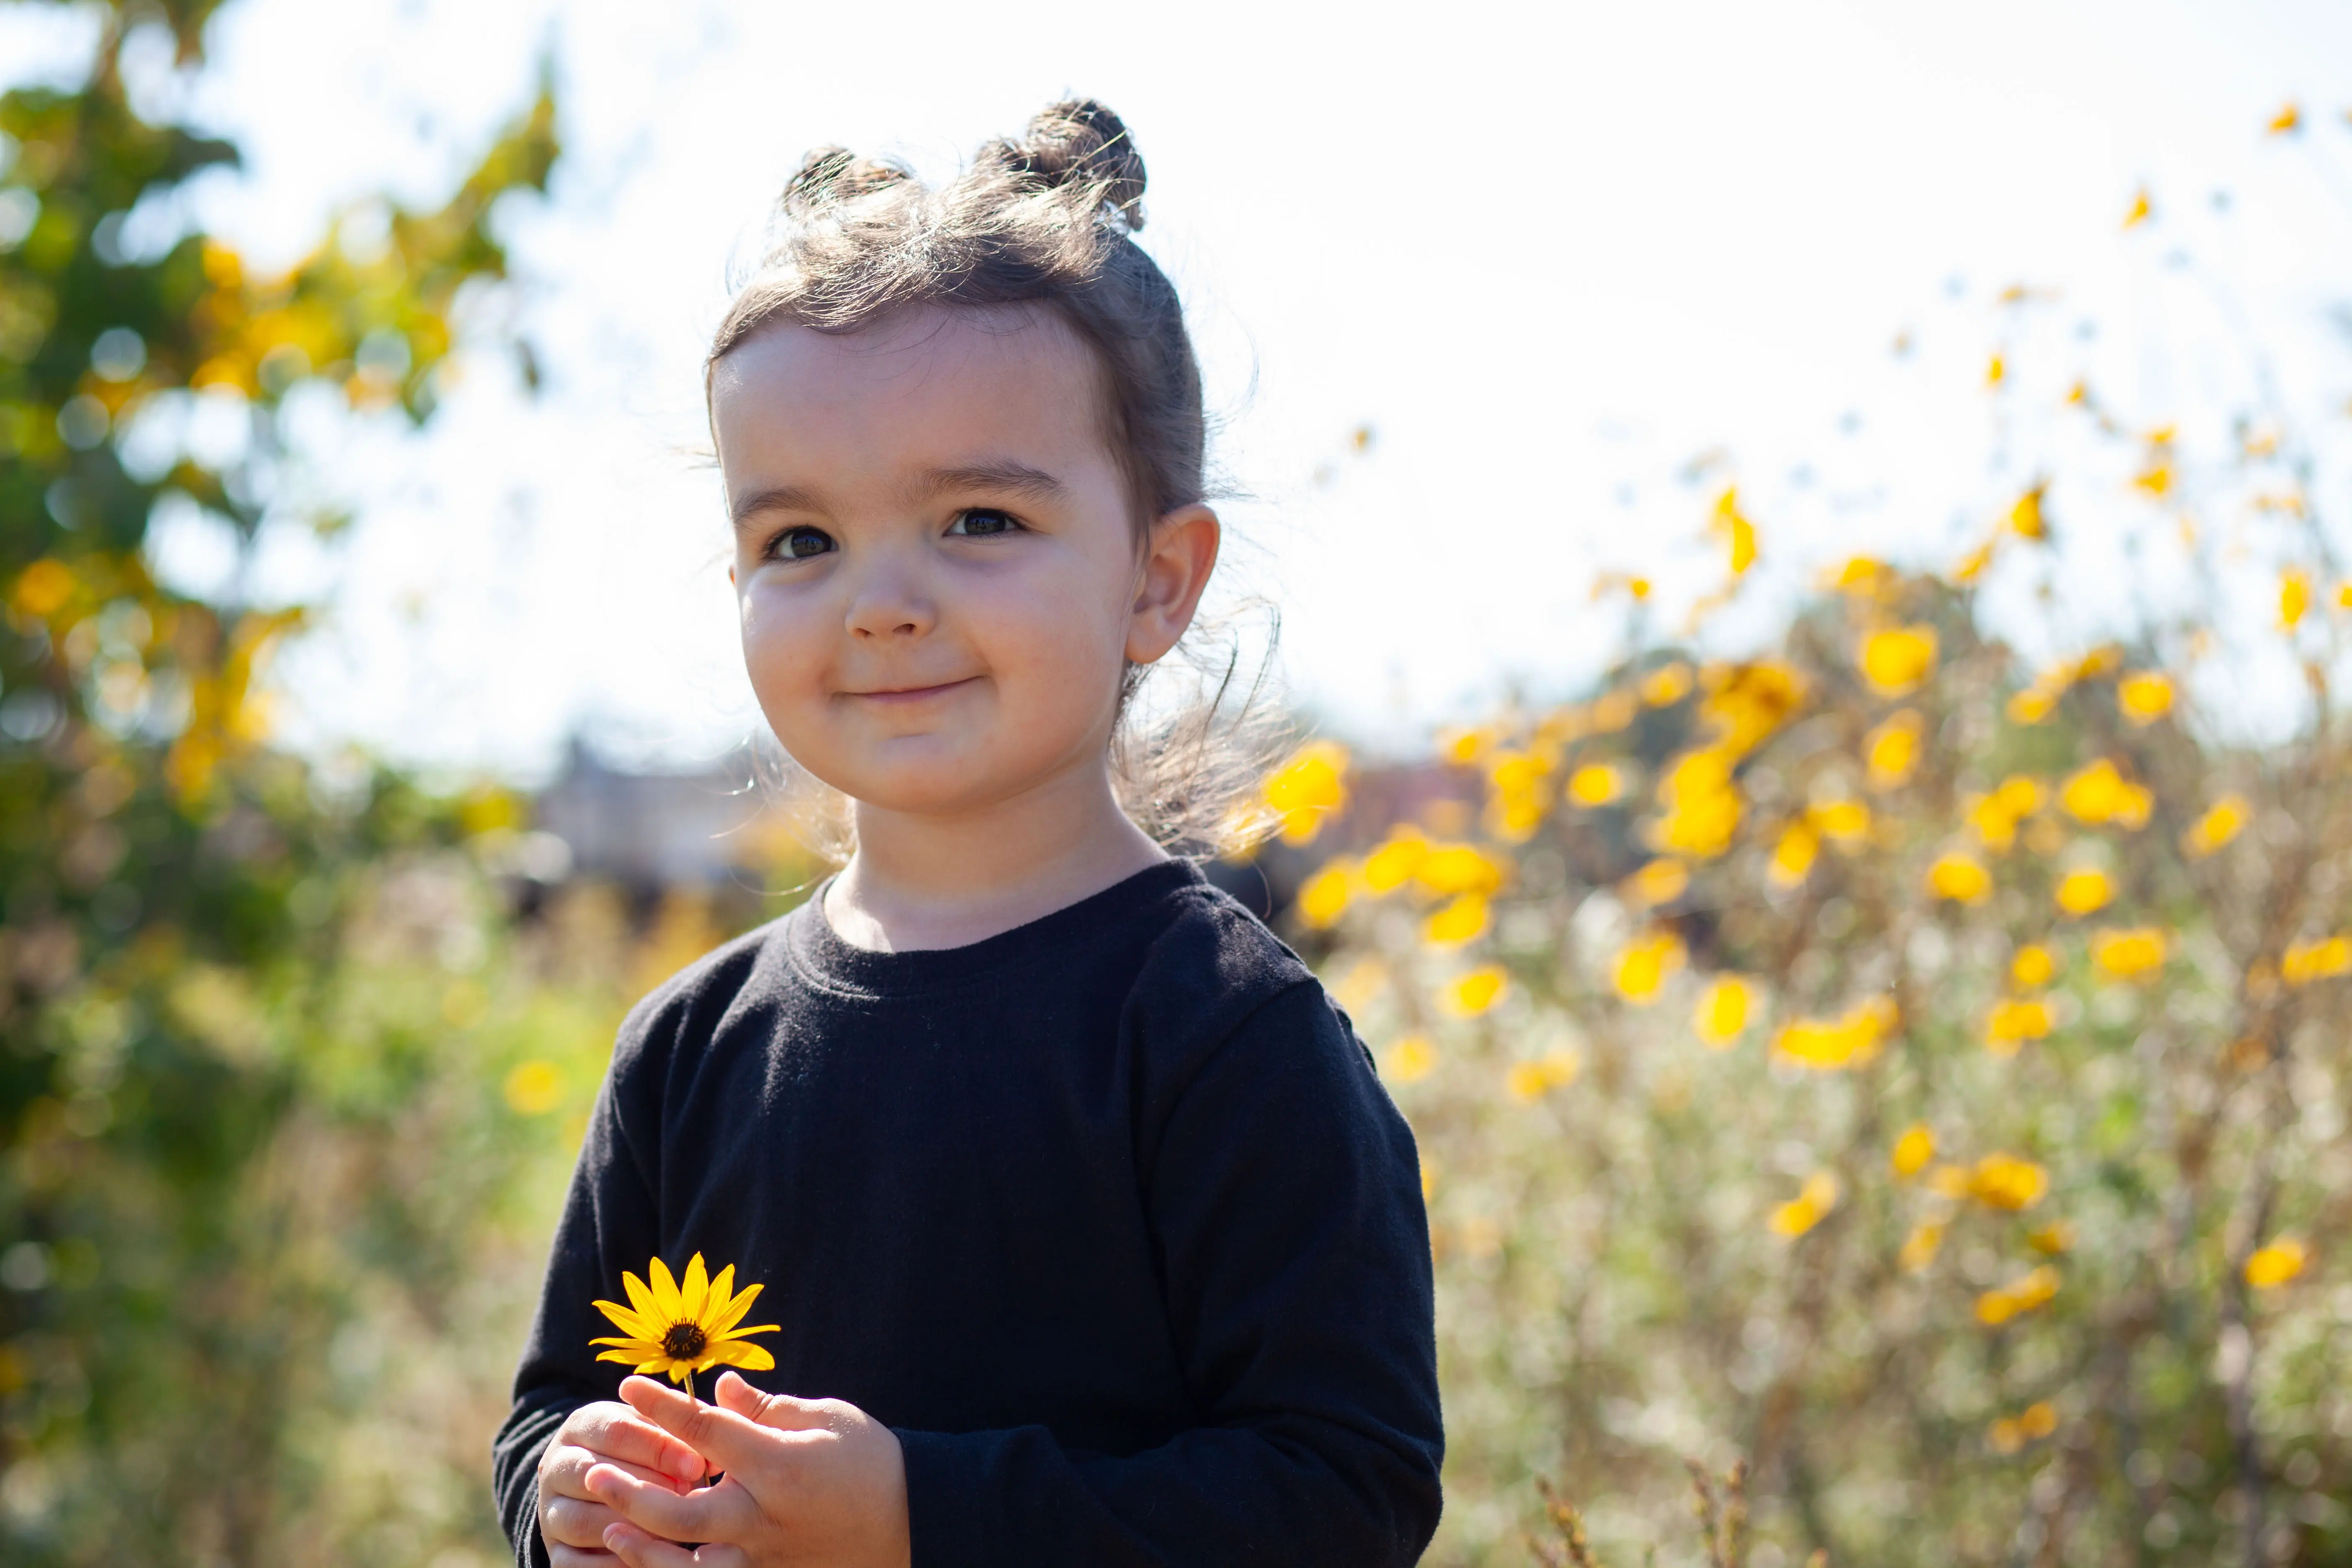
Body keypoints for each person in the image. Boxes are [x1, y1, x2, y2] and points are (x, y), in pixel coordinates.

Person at [491, 98, 1442, 1568]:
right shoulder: (686, 1050)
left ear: (1156, 580)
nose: (882, 601)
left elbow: (1344, 1495)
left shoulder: (1224, 1038)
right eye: (799, 540)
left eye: (980, 520)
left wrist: (922, 1519)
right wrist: (572, 1498)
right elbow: (554, 1409)